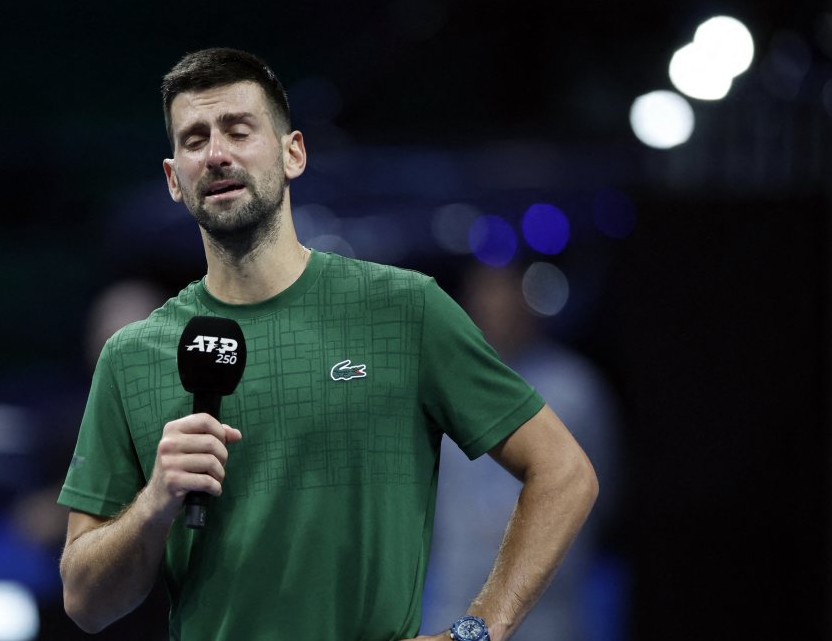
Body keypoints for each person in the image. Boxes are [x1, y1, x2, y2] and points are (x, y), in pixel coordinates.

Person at [57, 47, 598, 641]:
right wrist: (155, 502)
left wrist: (477, 632)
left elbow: (564, 472)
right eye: (194, 140)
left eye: (239, 131)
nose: (216, 154)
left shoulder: (403, 311)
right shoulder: (133, 355)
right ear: (173, 180)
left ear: (294, 153)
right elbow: (85, 600)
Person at [422, 263, 623, 640]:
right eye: (484, 295)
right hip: (456, 596)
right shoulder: (441, 383)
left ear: (527, 300)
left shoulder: (574, 386)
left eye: (504, 295)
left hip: (549, 607)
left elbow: (602, 487)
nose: (494, 308)